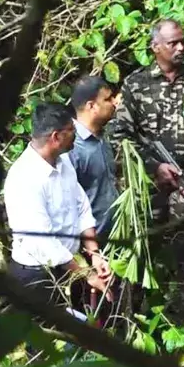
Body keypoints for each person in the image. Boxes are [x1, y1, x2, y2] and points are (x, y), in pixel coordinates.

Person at [107, 19, 184, 322]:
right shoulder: (136, 84)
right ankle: (129, 319)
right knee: (141, 251)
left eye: (183, 42)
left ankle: (183, 321)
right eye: (173, 43)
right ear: (156, 47)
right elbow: (119, 136)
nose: (181, 48)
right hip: (151, 187)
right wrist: (155, 166)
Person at [3, 102, 114, 305]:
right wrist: (87, 274)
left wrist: (94, 254)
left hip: (70, 266)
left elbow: (81, 206)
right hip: (38, 275)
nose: (76, 134)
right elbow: (44, 242)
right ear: (56, 137)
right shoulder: (25, 178)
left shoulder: (64, 163)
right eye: (71, 130)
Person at [68, 76, 120, 244]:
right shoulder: (71, 147)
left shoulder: (103, 137)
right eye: (107, 99)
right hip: (91, 246)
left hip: (115, 237)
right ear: (92, 106)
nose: (114, 103)